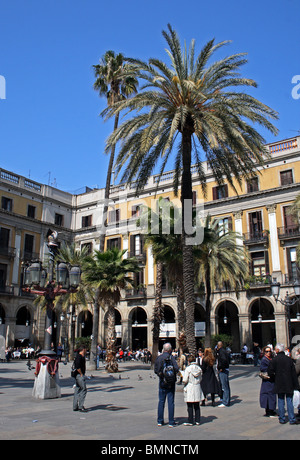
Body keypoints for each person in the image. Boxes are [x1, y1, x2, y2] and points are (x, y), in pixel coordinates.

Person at [267, 343, 300, 425]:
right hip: (289, 383)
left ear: (278, 350)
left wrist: (274, 378)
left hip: (279, 383)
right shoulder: (289, 359)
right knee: (289, 401)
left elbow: (270, 371)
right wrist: (295, 384)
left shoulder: (274, 360)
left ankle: (282, 419)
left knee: (281, 400)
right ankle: (291, 419)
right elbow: (293, 373)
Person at [154, 342, 179, 427]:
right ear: (170, 350)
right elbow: (176, 368)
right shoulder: (171, 358)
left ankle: (160, 421)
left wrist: (161, 375)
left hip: (162, 382)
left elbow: (155, 370)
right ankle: (171, 422)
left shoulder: (159, 358)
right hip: (171, 383)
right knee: (171, 401)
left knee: (161, 401)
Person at [182, 355, 203, 425]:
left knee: (190, 405)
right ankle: (197, 420)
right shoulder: (199, 369)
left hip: (190, 386)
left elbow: (185, 380)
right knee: (197, 404)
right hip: (197, 386)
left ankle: (190, 420)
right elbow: (200, 378)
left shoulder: (188, 369)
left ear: (189, 361)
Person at [259, 346, 277, 418]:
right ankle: (269, 411)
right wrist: (271, 369)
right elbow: (262, 368)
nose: (268, 353)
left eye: (269, 351)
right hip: (267, 380)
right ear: (264, 352)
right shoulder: (264, 360)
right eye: (267, 351)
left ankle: (271, 409)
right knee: (267, 394)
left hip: (271, 379)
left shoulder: (271, 358)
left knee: (271, 394)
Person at [73, 345, 88, 413]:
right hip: (79, 375)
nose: (86, 351)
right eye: (85, 350)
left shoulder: (79, 356)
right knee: (83, 389)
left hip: (77, 375)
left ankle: (75, 406)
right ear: (83, 350)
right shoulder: (79, 357)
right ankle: (81, 406)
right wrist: (81, 374)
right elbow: (78, 366)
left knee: (77, 389)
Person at [215, 341, 231, 407]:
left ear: (218, 346)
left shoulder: (221, 352)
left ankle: (225, 402)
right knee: (224, 386)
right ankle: (224, 399)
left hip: (223, 371)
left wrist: (221, 368)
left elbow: (224, 360)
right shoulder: (222, 351)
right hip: (224, 370)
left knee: (224, 386)